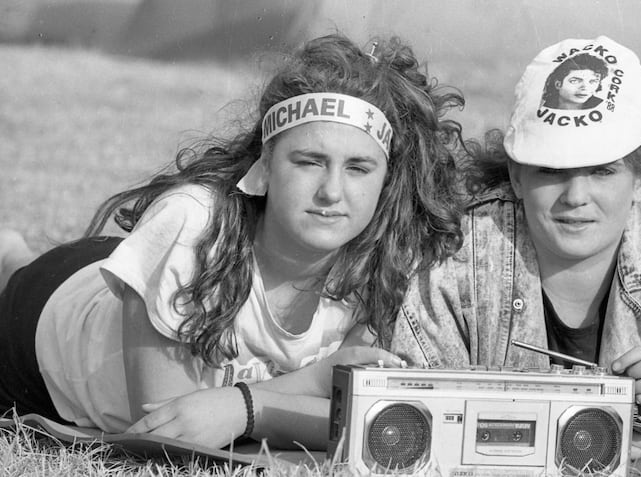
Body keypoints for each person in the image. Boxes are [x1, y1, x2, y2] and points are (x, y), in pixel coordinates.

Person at [0, 33, 466, 451]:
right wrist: (311, 383)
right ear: (266, 162)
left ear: (385, 181)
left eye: (358, 168)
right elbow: (168, 428)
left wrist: (247, 410)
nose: (331, 192)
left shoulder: (384, 258)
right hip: (42, 325)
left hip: (135, 285)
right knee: (15, 270)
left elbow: (372, 424)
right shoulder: (192, 223)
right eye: (309, 161)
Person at [390, 36, 641, 460]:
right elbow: (409, 406)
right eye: (552, 170)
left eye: (602, 171)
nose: (575, 196)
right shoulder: (457, 257)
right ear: (516, 176)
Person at [542, 52, 608, 110]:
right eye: (575, 81)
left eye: (592, 82)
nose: (585, 87)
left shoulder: (604, 108)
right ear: (558, 84)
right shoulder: (541, 106)